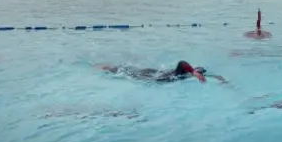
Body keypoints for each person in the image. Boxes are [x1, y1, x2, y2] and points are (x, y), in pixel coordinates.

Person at [97, 60, 227, 84]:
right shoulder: (181, 72)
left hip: (158, 73)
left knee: (131, 70)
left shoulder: (186, 74)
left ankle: (110, 67)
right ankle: (107, 67)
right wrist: (194, 72)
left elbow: (205, 74)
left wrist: (219, 77)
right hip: (156, 77)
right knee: (130, 74)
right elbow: (182, 62)